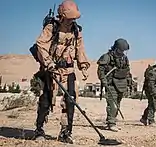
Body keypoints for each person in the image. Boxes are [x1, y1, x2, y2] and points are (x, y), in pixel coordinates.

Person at [31, 0, 90, 143]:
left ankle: (66, 132)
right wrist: (48, 62)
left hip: (68, 70)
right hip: (51, 69)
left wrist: (83, 65)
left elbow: (80, 49)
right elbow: (40, 44)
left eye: (74, 18)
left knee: (70, 101)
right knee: (45, 100)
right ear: (62, 16)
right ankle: (39, 130)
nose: (72, 21)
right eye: (70, 18)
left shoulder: (76, 30)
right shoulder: (52, 28)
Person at [97, 38, 132, 132]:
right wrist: (103, 80)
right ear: (116, 48)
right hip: (110, 83)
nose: (123, 52)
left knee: (118, 104)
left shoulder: (124, 58)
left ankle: (112, 122)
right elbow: (101, 70)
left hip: (121, 83)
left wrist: (129, 81)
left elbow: (127, 71)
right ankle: (111, 123)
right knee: (112, 105)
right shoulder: (107, 57)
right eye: (121, 50)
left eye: (124, 50)